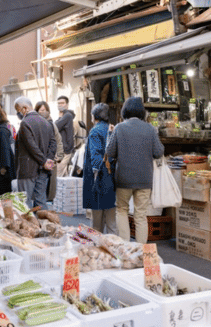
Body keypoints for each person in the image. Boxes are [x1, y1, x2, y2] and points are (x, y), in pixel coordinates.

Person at [106, 97, 164, 244]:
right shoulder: (150, 128)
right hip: (144, 178)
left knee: (122, 210)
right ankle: (141, 250)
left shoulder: (119, 127)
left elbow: (110, 152)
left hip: (124, 178)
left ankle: (125, 246)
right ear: (142, 111)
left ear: (125, 110)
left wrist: (110, 135)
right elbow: (158, 152)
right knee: (141, 215)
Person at [14, 96, 56, 209]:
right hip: (43, 169)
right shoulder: (47, 122)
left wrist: (43, 161)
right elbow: (53, 143)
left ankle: (30, 226)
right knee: (41, 201)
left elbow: (31, 146)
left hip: (28, 168)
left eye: (18, 110)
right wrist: (48, 161)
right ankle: (43, 225)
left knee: (24, 203)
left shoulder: (25, 123)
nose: (18, 113)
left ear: (24, 108)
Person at [83, 103, 117, 234]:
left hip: (99, 180)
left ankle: (97, 249)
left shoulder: (95, 131)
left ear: (95, 116)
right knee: (111, 222)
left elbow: (96, 159)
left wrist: (96, 177)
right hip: (111, 179)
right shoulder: (111, 129)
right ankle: (114, 250)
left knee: (96, 225)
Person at [35, 101, 64, 202]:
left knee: (48, 185)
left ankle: (45, 206)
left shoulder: (51, 124)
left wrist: (59, 156)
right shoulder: (35, 124)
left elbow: (58, 140)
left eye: (45, 110)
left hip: (50, 159)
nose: (44, 112)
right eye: (41, 110)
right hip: (39, 160)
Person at [55, 96, 76, 177]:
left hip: (64, 151)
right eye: (59, 103)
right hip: (64, 150)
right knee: (64, 175)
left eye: (62, 103)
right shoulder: (66, 116)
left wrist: (60, 117)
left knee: (58, 175)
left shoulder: (67, 116)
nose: (60, 105)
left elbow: (55, 127)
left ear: (67, 105)